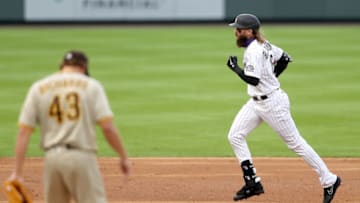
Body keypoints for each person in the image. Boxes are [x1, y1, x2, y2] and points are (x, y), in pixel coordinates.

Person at [226, 14, 341, 203]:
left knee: (295, 143)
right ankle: (252, 182)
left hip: (273, 104)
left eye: (238, 29)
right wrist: (272, 78)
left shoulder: (254, 50)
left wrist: (236, 68)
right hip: (256, 103)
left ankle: (330, 180)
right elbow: (285, 58)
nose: (235, 32)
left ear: (249, 31)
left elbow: (254, 79)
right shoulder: (265, 44)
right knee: (235, 135)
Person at [8, 50, 131, 203]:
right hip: (81, 158)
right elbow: (108, 128)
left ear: (62, 66)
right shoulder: (91, 86)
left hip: (52, 159)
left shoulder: (38, 87)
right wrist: (123, 157)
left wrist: (17, 172)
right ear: (83, 68)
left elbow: (23, 132)